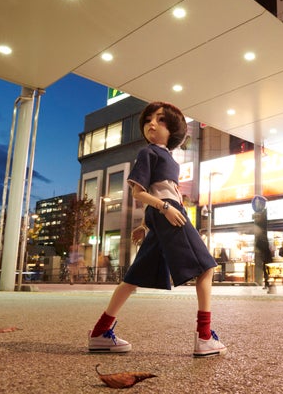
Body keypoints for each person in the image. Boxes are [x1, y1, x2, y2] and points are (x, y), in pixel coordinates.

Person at [87, 101, 226, 357]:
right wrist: (163, 209)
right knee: (206, 268)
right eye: (149, 119)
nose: (152, 123)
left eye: (161, 120)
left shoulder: (167, 157)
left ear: (173, 129)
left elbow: (157, 190)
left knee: (132, 278)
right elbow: (138, 192)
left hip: (162, 216)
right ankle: (204, 336)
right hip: (168, 213)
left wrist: (146, 223)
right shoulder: (149, 152)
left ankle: (99, 332)